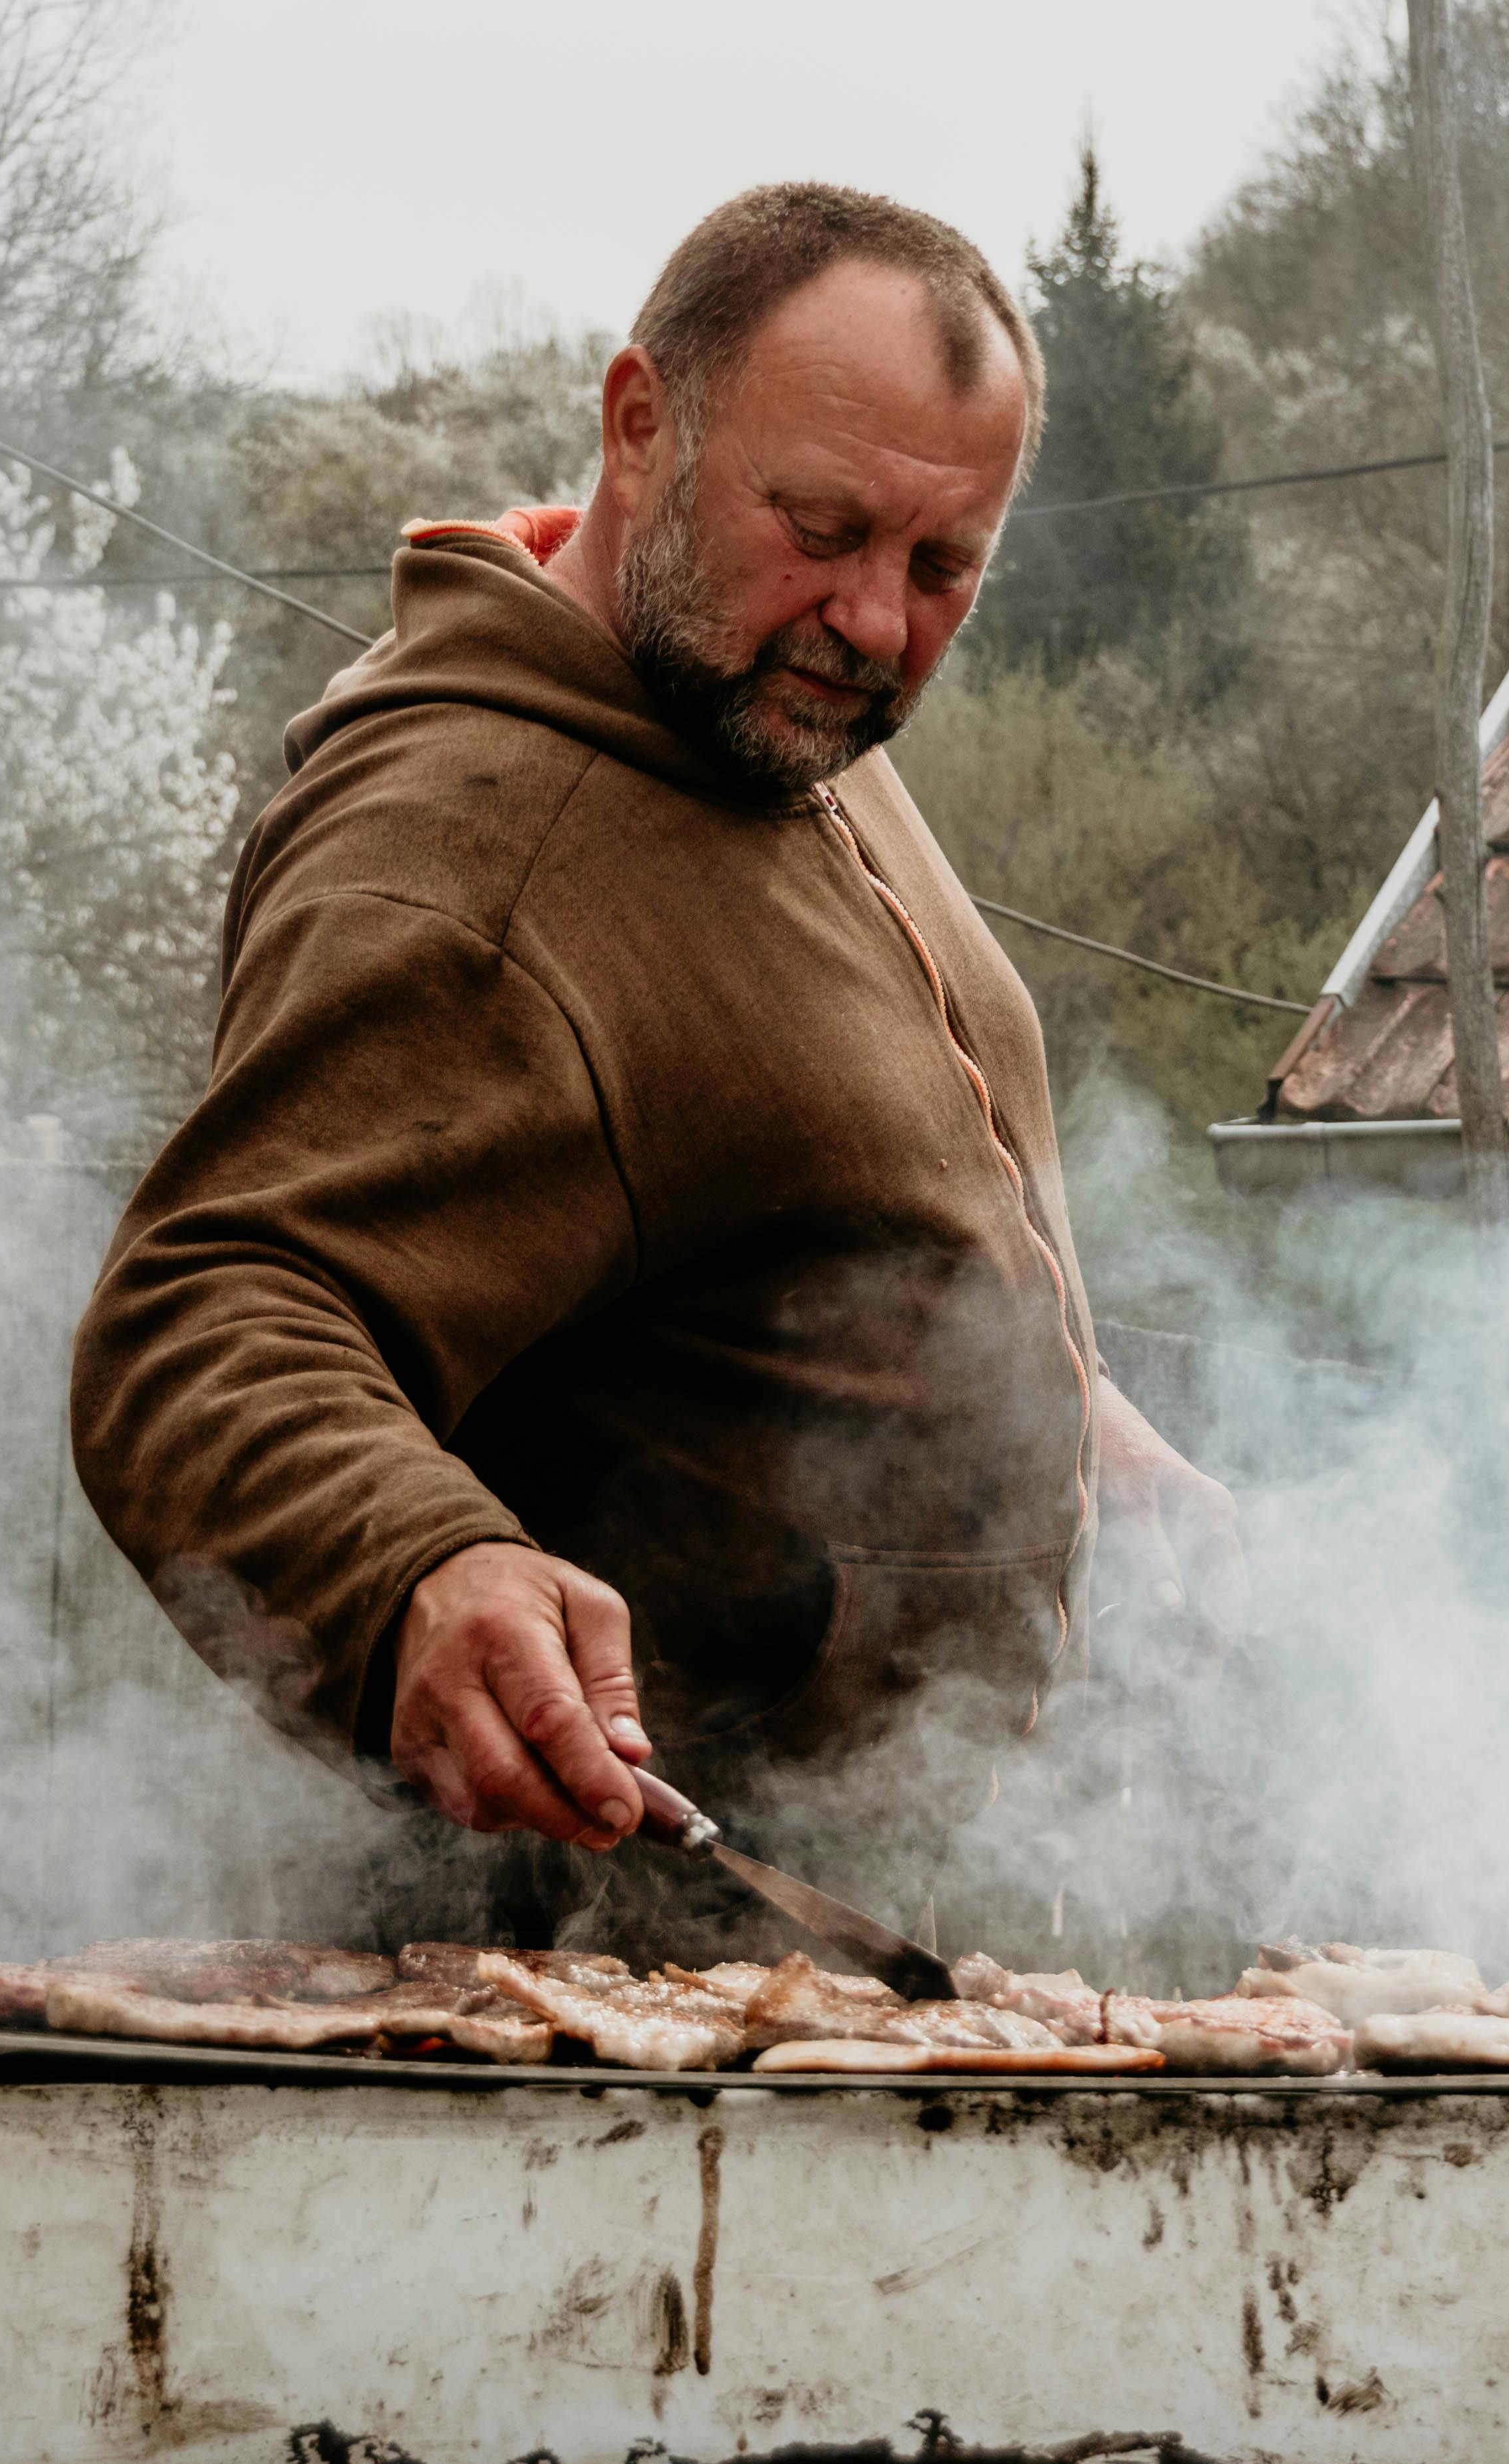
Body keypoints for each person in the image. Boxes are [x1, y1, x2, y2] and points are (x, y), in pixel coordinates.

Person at [70, 182, 1239, 1953]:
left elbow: (814, 1171)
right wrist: (418, 1572)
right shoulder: (469, 856)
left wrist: (1059, 1414)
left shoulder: (757, 706)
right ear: (643, 430)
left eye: (942, 569)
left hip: (858, 1943)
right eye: (825, 527)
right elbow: (209, 1312)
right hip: (588, 1991)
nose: (870, 620)